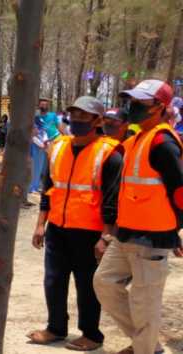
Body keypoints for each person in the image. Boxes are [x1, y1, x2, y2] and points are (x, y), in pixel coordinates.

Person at [94, 79, 183, 354]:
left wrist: (176, 231)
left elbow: (180, 191)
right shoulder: (137, 139)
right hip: (127, 233)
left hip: (153, 238)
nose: (132, 106)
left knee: (145, 305)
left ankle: (145, 348)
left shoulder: (163, 143)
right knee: (104, 283)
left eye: (140, 102)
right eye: (131, 101)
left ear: (159, 107)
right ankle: (147, 344)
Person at [27, 96, 121, 351]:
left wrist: (105, 237)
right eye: (74, 115)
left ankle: (91, 335)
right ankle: (56, 328)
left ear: (98, 121)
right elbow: (49, 189)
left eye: (84, 116)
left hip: (90, 233)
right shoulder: (57, 147)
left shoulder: (109, 154)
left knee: (87, 285)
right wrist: (40, 224)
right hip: (58, 228)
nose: (77, 120)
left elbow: (112, 201)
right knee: (53, 280)